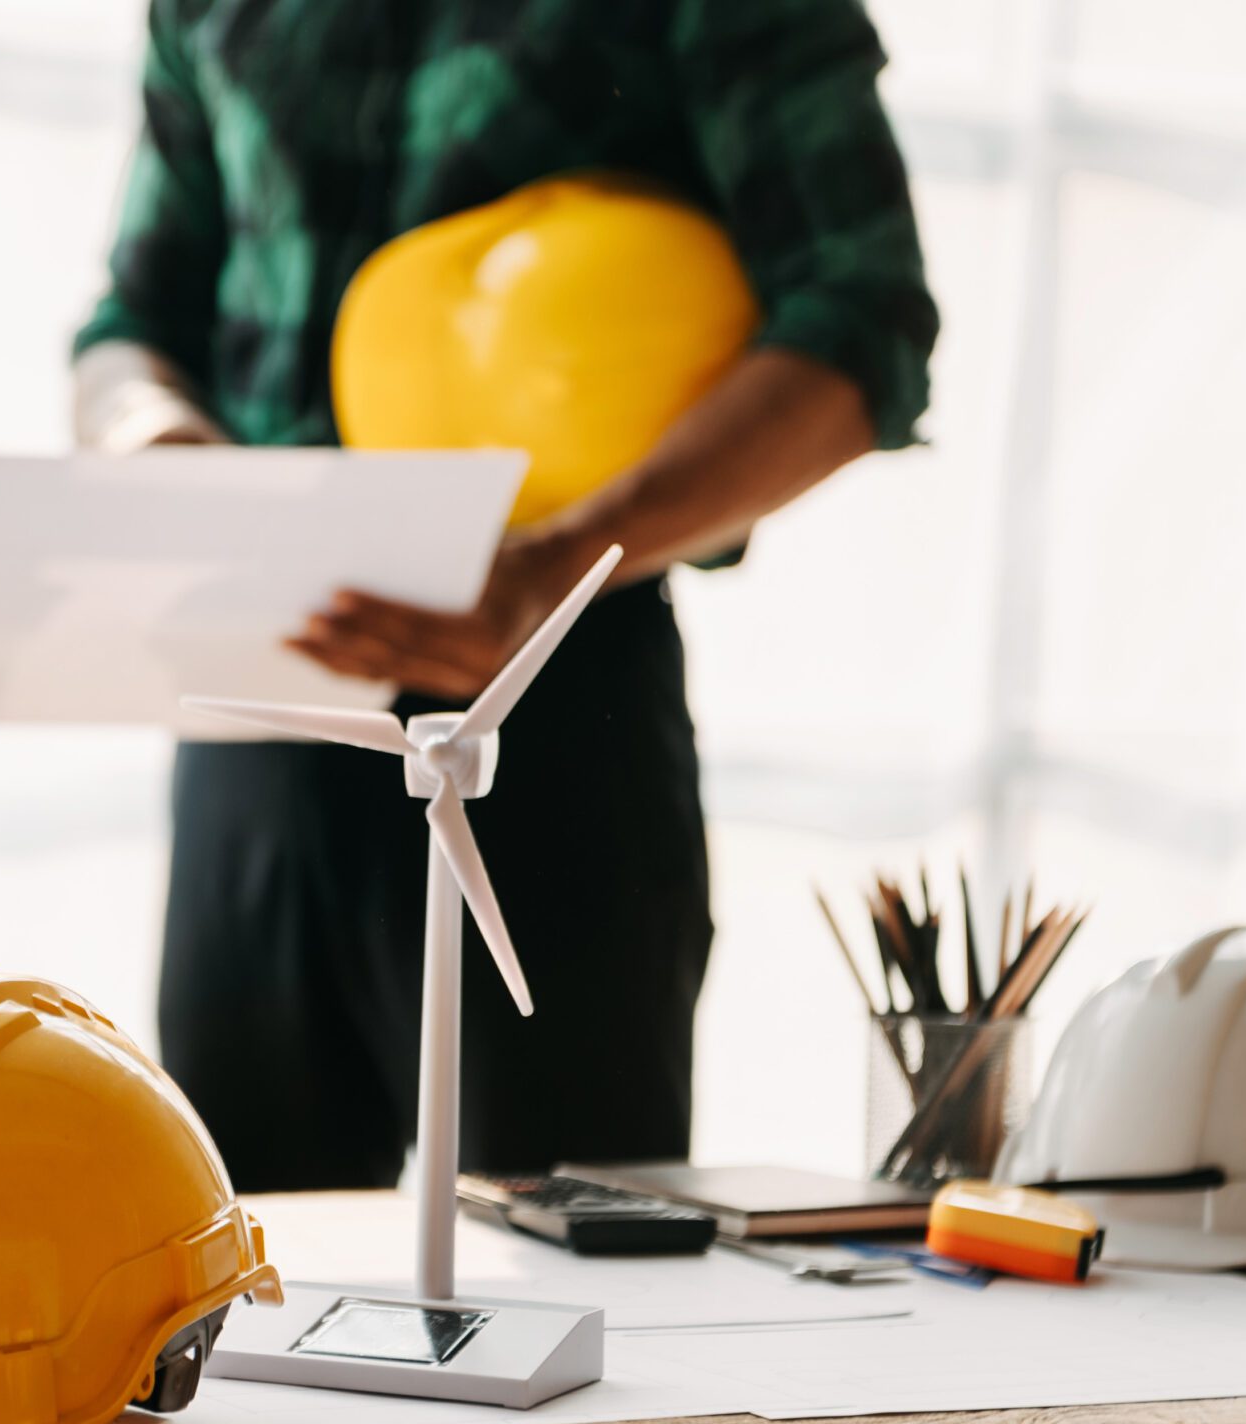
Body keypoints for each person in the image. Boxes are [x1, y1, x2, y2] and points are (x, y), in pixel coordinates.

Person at [74, 0, 938, 1190]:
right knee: (237, 1275)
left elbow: (863, 316)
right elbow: (130, 323)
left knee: (578, 1271)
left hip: (555, 699)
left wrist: (552, 561)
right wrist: (154, 447)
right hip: (259, 708)